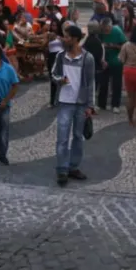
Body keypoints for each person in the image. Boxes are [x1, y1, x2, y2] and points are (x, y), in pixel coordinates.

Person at [51, 24, 96, 187]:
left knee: (78, 137)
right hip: (64, 102)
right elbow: (53, 74)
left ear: (75, 39)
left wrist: (90, 106)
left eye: (67, 36)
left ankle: (73, 166)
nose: (64, 39)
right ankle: (62, 169)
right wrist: (59, 81)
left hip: (80, 103)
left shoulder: (87, 58)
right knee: (62, 138)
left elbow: (91, 83)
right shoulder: (60, 56)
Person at [98, 18, 126, 112]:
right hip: (105, 60)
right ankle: (101, 104)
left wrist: (113, 45)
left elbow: (125, 45)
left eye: (106, 30)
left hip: (116, 61)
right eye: (103, 29)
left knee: (116, 84)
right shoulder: (100, 32)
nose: (105, 32)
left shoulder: (117, 31)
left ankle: (115, 105)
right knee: (103, 83)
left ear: (110, 27)